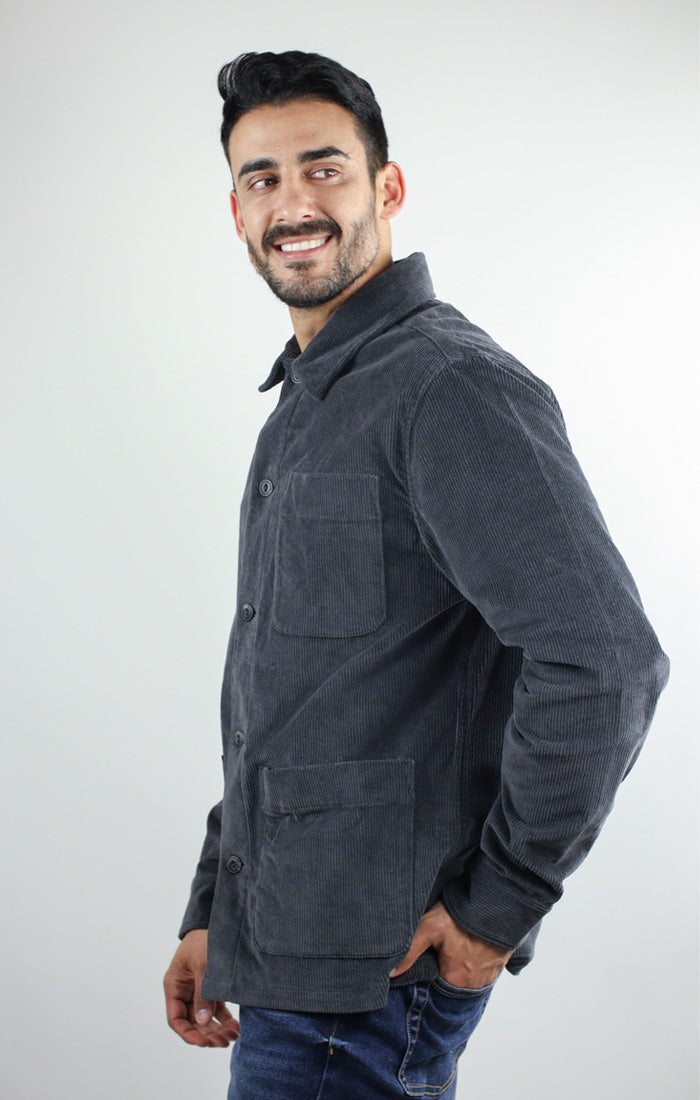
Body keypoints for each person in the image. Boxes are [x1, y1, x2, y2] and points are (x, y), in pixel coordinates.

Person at [163, 50, 669, 1099]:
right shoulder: (305, 405)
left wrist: (498, 907)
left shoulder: (450, 388)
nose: (293, 204)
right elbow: (291, 705)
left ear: (386, 188)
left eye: (324, 168)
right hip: (286, 965)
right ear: (236, 211)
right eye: (262, 178)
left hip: (372, 986)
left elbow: (606, 662)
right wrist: (219, 909)